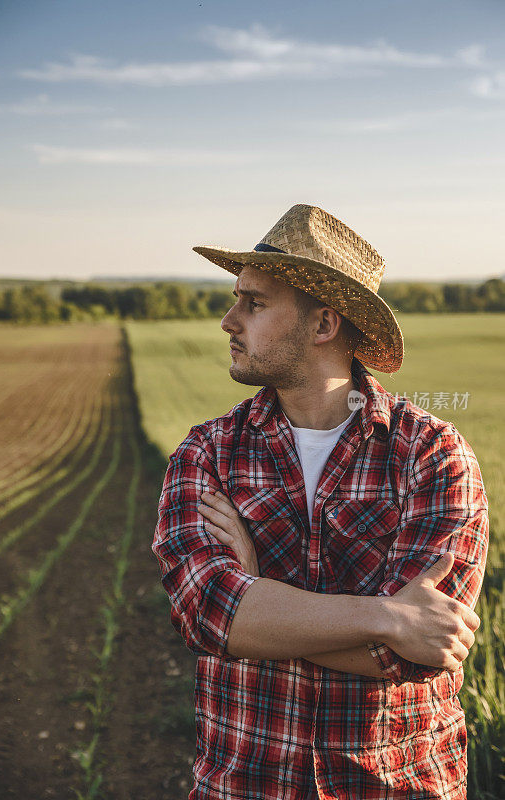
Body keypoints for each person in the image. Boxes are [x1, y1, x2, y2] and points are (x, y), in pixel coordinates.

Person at [152, 204, 489, 799]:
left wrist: (258, 595)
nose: (229, 320)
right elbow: (205, 612)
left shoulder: (432, 454)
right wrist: (385, 615)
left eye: (254, 303)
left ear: (324, 323)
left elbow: (416, 657)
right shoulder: (206, 454)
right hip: (248, 785)